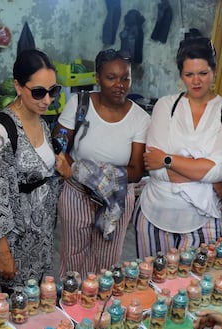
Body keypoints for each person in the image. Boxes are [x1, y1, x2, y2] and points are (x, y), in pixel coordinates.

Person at [135, 30, 222, 258]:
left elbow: (221, 169)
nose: (196, 81)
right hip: (154, 213)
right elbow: (155, 172)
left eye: (203, 73)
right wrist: (204, 173)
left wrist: (168, 159)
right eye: (189, 74)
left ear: (214, 71)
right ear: (181, 75)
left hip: (202, 219)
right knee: (152, 285)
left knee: (194, 287)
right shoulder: (166, 106)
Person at [53, 48, 150, 278]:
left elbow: (136, 171)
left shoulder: (140, 118)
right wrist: (88, 175)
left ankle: (98, 309)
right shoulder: (79, 104)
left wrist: (81, 169)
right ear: (98, 78)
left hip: (115, 198)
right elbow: (59, 147)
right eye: (111, 77)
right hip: (77, 194)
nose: (120, 84)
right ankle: (71, 307)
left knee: (106, 260)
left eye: (125, 77)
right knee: (73, 257)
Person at [0, 49, 63, 293]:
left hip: (41, 235)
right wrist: (3, 253)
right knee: (17, 304)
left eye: (53, 91)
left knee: (36, 298)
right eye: (38, 92)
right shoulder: (2, 131)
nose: (47, 100)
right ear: (17, 86)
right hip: (15, 239)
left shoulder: (42, 122)